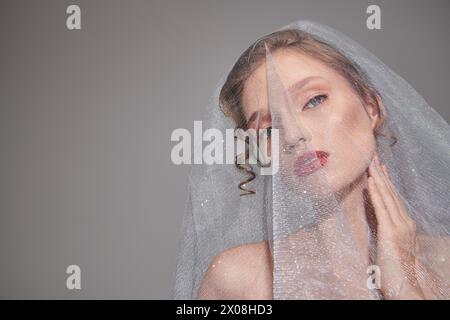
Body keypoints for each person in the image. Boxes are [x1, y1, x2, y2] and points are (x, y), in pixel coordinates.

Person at [174, 21, 450, 300]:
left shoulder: (446, 263)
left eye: (314, 100)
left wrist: (403, 282)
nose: (293, 135)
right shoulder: (239, 280)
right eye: (268, 129)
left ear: (371, 106)